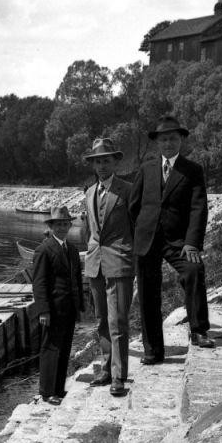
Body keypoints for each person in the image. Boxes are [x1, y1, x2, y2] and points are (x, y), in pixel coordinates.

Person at [129, 115, 215, 363]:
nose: (168, 143)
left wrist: (192, 242)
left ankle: (198, 330)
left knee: (193, 270)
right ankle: (153, 350)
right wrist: (140, 231)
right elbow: (134, 206)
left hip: (179, 241)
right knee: (147, 292)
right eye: (164, 139)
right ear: (157, 142)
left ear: (181, 140)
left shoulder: (193, 171)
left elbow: (199, 208)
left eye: (173, 138)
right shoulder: (147, 168)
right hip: (147, 239)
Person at [81, 138, 134, 396]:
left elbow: (137, 228)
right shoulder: (89, 192)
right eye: (97, 161)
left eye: (106, 160)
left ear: (115, 162)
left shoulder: (128, 190)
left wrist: (130, 254)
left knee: (118, 321)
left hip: (119, 262)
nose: (101, 166)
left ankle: (118, 375)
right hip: (95, 265)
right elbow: (90, 231)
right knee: (102, 320)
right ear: (92, 165)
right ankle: (104, 368)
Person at [32, 205, 85, 405]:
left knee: (64, 349)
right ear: (51, 226)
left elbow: (76, 280)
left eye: (65, 224)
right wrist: (43, 310)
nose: (62, 228)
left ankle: (58, 389)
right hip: (52, 309)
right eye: (58, 224)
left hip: (68, 308)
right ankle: (47, 392)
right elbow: (39, 284)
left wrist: (79, 305)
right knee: (51, 348)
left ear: (69, 225)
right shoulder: (44, 250)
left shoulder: (71, 249)